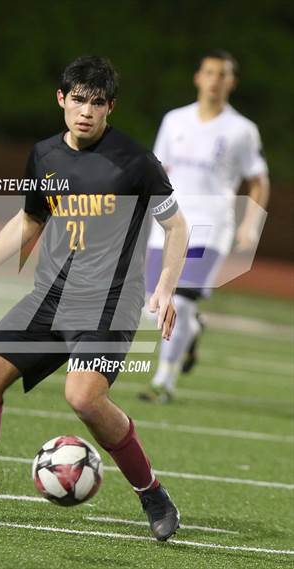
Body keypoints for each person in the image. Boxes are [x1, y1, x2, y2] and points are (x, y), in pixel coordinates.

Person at [0, 56, 188, 541]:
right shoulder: (44, 156)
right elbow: (29, 221)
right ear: (61, 99)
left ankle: (153, 494)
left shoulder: (136, 161)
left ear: (111, 108)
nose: (86, 111)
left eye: (97, 102)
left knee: (83, 396)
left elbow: (177, 227)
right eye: (78, 99)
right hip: (53, 295)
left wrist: (166, 285)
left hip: (110, 300)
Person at [140, 49, 269, 403]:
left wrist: (251, 224)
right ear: (198, 77)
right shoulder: (174, 121)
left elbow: (259, 180)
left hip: (211, 226)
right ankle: (193, 332)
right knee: (154, 305)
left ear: (231, 82)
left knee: (179, 302)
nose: (215, 80)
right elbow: (158, 169)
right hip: (169, 222)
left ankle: (163, 381)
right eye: (209, 72)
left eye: (222, 74)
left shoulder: (242, 130)